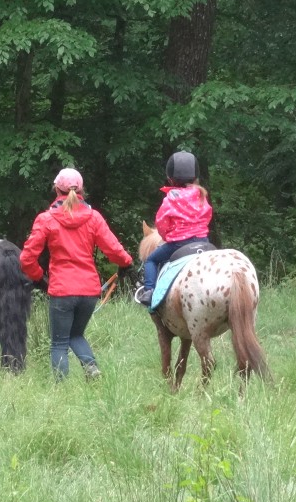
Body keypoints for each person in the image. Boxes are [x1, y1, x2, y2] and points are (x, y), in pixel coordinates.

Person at [19, 168, 133, 379]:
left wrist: (39, 278)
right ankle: (92, 369)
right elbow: (114, 249)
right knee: (76, 335)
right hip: (89, 290)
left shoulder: (46, 219)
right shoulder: (94, 217)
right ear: (81, 190)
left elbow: (26, 259)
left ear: (56, 189)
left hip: (62, 289)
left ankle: (60, 391)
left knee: (59, 342)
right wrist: (126, 263)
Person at [135, 151, 212, 306]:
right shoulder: (201, 194)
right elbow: (207, 215)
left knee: (151, 260)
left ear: (170, 179)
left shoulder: (171, 197)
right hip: (204, 241)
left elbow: (161, 222)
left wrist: (167, 235)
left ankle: (149, 291)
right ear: (196, 177)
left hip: (179, 244)